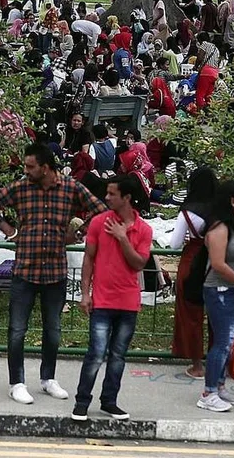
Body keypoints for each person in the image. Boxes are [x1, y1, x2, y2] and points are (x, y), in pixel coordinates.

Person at [0, 143, 107, 405]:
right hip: (25, 269)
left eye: (30, 166)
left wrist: (78, 233)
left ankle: (48, 378)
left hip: (55, 271)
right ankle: (17, 382)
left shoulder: (70, 187)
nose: (26, 170)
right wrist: (9, 231)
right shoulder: (20, 187)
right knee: (16, 329)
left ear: (45, 167)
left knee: (53, 329)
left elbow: (100, 209)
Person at [71, 177, 153, 422]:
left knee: (118, 356)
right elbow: (88, 259)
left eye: (112, 194)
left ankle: (109, 401)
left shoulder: (144, 229)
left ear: (126, 197)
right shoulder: (98, 223)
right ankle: (81, 402)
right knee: (95, 354)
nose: (106, 198)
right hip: (103, 301)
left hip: (128, 302)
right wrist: (85, 294)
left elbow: (139, 263)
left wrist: (123, 237)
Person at [197, 180, 234, 413]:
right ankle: (208, 391)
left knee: (230, 340)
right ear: (232, 201)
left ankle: (220, 385)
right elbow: (218, 264)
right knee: (222, 341)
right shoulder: (219, 228)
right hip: (220, 290)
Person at [169, 166, 218, 378]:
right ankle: (219, 362)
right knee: (218, 315)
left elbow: (174, 244)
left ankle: (197, 365)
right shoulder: (221, 208)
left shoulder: (187, 211)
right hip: (217, 261)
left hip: (192, 261)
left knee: (191, 315)